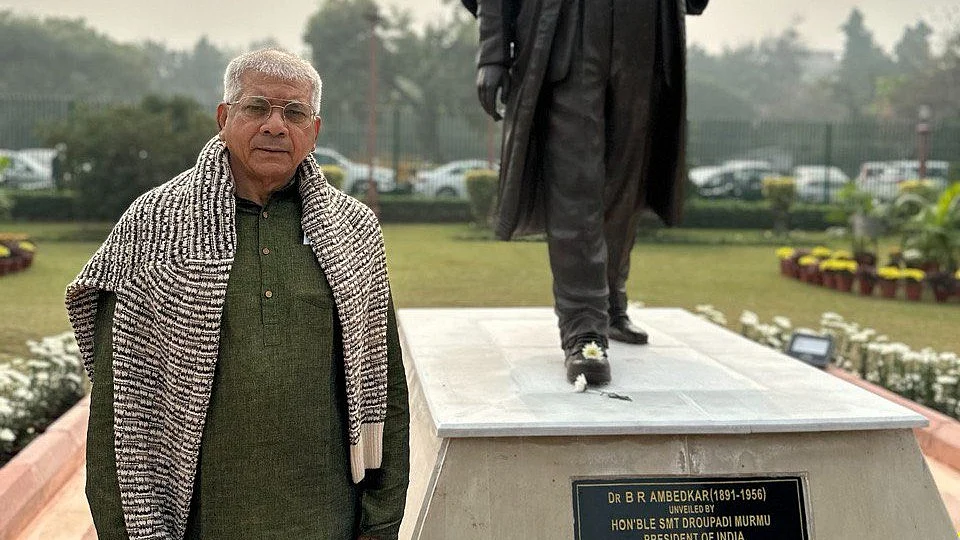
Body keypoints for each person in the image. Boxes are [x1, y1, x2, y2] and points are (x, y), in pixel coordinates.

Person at [65, 48, 409, 540]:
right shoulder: (152, 226)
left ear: (314, 132)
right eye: (257, 108)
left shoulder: (353, 231)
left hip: (329, 521)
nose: (275, 125)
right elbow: (119, 411)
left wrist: (382, 522)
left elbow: (387, 390)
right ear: (224, 118)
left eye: (294, 113)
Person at [464, 0, 708, 384]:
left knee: (626, 184)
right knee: (574, 185)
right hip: (568, 29)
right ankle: (583, 328)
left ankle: (610, 298)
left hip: (644, 31)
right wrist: (493, 52)